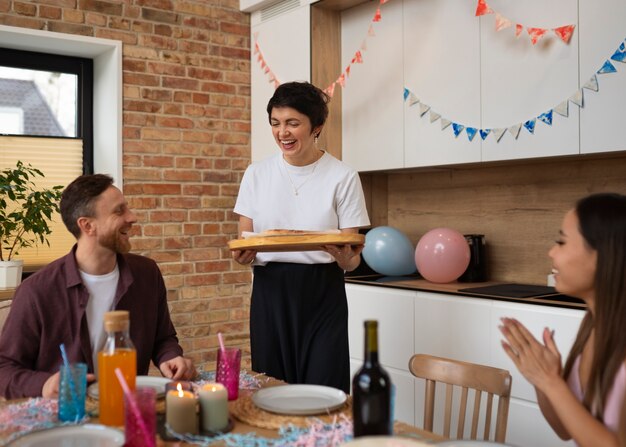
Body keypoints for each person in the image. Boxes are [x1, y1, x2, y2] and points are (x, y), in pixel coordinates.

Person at [0, 174, 196, 399]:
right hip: (66, 419)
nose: (132, 217)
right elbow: (5, 368)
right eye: (119, 211)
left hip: (129, 410)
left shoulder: (147, 274)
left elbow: (163, 339)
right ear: (87, 225)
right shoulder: (36, 291)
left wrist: (169, 357)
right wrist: (44, 385)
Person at [232, 81, 370, 393]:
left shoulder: (342, 176)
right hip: (270, 292)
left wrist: (344, 256)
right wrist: (243, 256)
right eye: (276, 123)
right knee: (272, 390)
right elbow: (245, 239)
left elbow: (351, 259)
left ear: (316, 126)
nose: (283, 133)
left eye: (293, 123)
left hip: (323, 292)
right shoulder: (256, 174)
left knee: (324, 393)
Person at [499, 192, 626, 447]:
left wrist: (551, 381)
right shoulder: (592, 324)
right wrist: (542, 379)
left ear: (602, 255)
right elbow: (565, 430)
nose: (551, 252)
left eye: (561, 242)